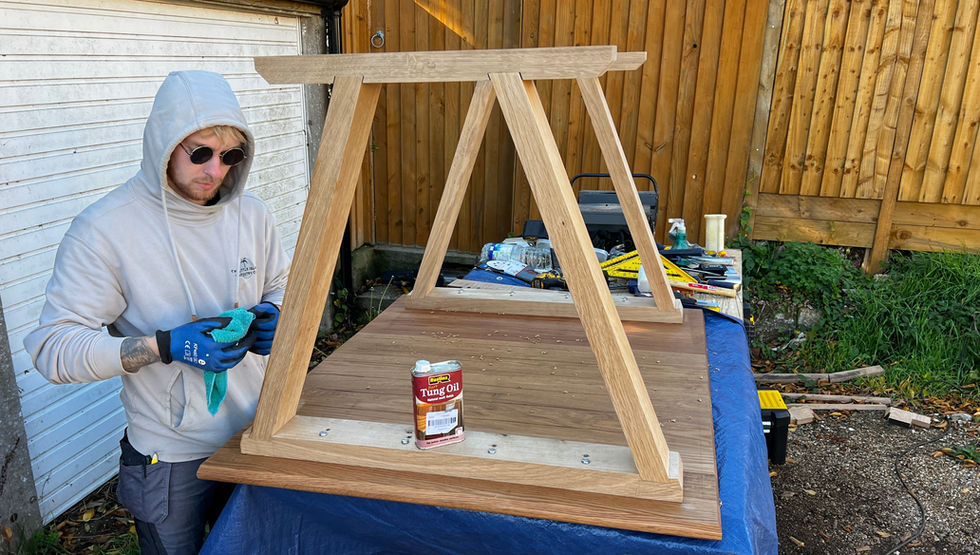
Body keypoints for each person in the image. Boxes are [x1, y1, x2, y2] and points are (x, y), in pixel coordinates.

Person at [24, 70, 290, 554]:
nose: (215, 171)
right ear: (163, 145)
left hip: (256, 432)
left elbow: (280, 284)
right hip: (169, 453)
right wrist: (163, 345)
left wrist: (275, 312)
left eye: (230, 156)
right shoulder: (105, 230)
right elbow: (52, 348)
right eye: (200, 152)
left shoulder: (253, 214)